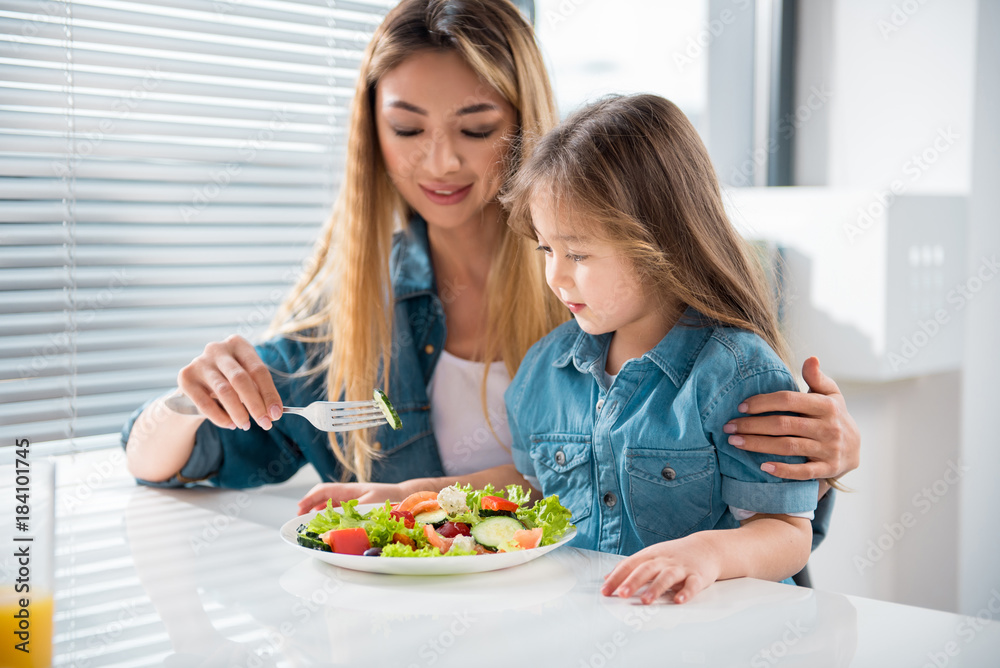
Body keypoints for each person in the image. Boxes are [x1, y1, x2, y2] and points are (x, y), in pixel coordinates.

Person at [121, 0, 858, 545]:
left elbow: (771, 518)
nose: (440, 162)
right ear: (371, 134)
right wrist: (186, 405)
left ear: (527, 131)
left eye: (475, 129)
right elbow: (162, 462)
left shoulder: (619, 297)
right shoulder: (353, 320)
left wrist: (827, 457)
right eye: (407, 128)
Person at [501, 93, 826, 605]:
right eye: (547, 249)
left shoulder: (736, 375)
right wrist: (408, 496)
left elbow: (786, 532)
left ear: (660, 243)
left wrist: (707, 555)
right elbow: (530, 488)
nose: (555, 275)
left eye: (578, 253)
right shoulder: (545, 368)